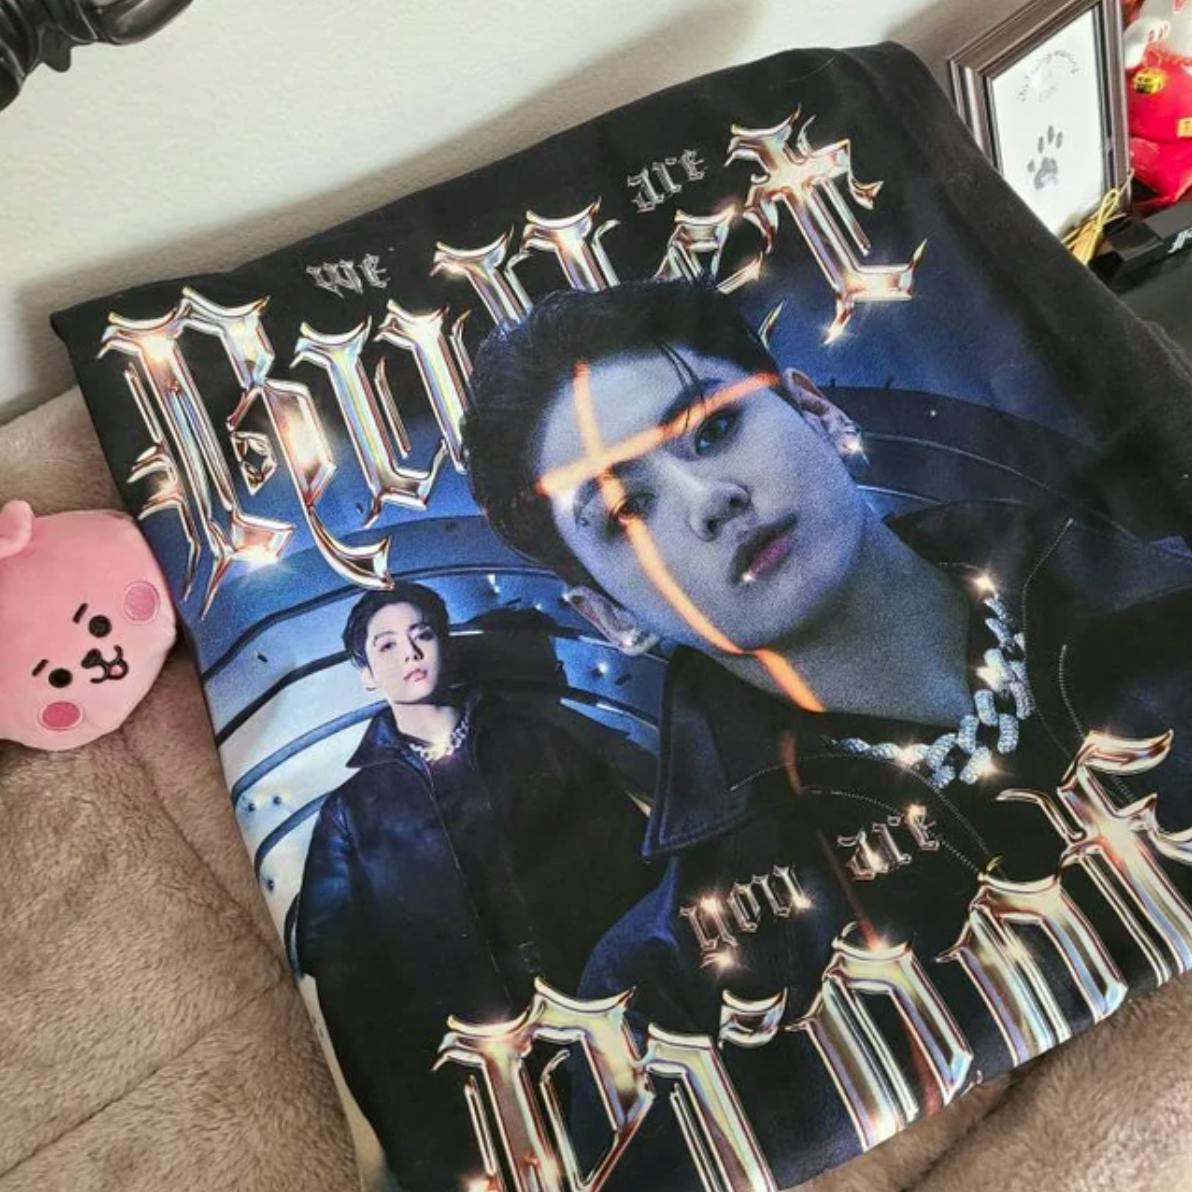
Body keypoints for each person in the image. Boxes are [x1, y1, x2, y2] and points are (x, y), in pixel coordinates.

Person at [462, 279, 1192, 1188]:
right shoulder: (672, 992)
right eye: (625, 513)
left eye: (712, 431)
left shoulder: (1165, 600)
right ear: (608, 616)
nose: (710, 500)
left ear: (816, 410)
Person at [294, 581, 653, 1191]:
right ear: (366, 674)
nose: (410, 653)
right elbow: (350, 994)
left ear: (445, 645)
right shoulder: (350, 814)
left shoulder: (540, 743)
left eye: (422, 635)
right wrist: (413, 1137)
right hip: (479, 1086)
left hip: (605, 1037)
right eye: (387, 645)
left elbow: (636, 875)